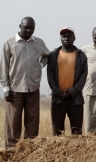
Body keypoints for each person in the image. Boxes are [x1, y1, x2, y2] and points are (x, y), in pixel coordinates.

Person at [0, 17, 50, 149]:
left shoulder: (38, 43)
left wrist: (40, 65)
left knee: (32, 121)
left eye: (31, 28)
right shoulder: (9, 44)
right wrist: (6, 88)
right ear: (20, 26)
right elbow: (3, 67)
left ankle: (30, 149)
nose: (28, 30)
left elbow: (47, 55)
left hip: (33, 88)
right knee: (13, 122)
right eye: (26, 27)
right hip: (14, 89)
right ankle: (11, 151)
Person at [47, 26, 87, 136]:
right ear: (60, 38)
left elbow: (83, 76)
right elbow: (50, 75)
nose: (66, 38)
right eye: (63, 36)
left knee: (77, 132)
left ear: (74, 38)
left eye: (69, 36)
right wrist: (57, 90)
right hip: (58, 99)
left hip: (75, 99)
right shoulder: (53, 55)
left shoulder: (81, 55)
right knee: (57, 133)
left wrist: (73, 91)